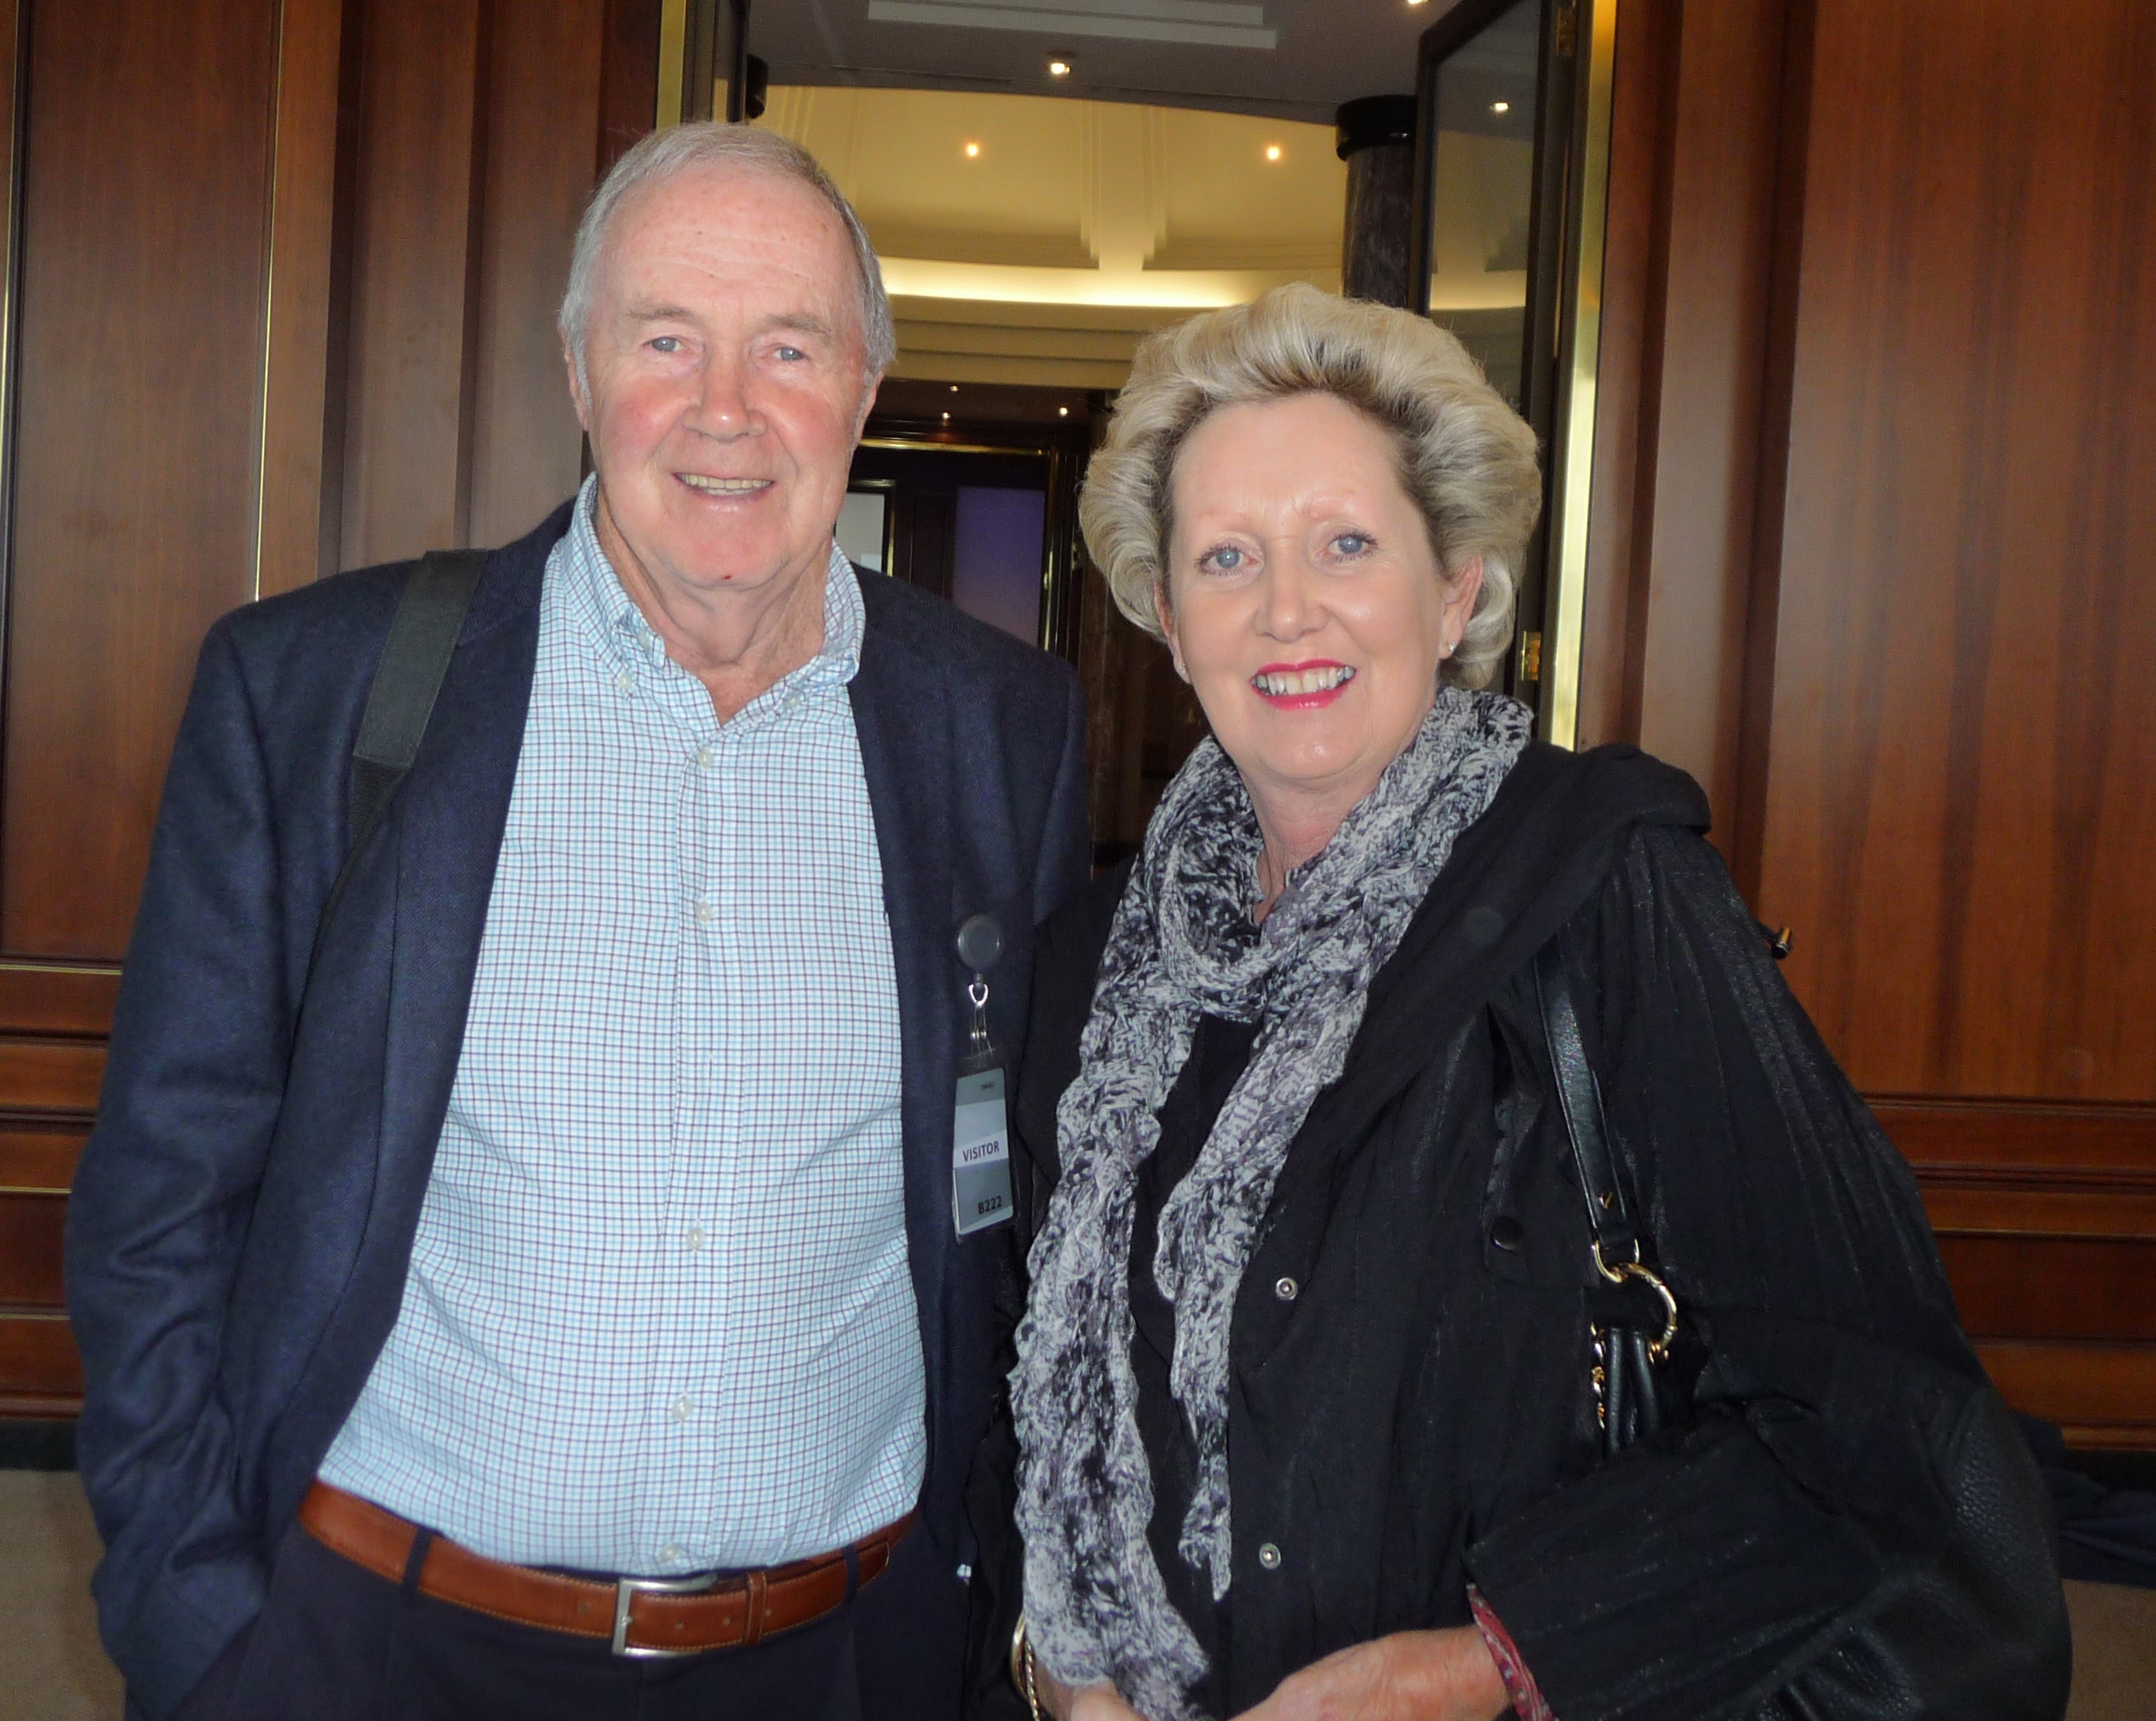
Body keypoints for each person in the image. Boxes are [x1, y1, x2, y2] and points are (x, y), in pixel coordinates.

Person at [66, 122, 1089, 1721]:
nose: (726, 407)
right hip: (380, 1646)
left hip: (846, 1655)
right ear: (577, 369)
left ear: (865, 385)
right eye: (664, 338)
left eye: (789, 346)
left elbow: (1028, 1209)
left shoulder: (1000, 729)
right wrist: (199, 1625)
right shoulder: (320, 690)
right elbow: (157, 1205)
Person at [972, 283, 2070, 1721]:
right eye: (1227, 557)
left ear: (1454, 591)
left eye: (1345, 544)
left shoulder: (1604, 890)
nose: (1286, 609)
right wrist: (1063, 1669)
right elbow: (1033, 1387)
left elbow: (1867, 1403)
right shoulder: (1090, 969)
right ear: (1171, 623)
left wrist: (1478, 1668)